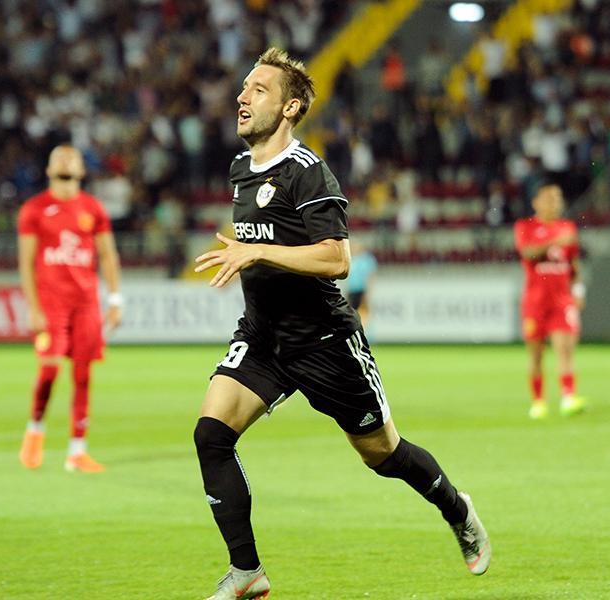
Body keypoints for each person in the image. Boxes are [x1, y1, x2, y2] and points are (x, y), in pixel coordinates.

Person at [192, 48, 490, 600]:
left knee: (383, 455)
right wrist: (251, 255)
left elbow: (336, 259)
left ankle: (456, 508)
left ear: (290, 107)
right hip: (264, 336)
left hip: (325, 341)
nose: (242, 96)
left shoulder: (307, 172)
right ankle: (247, 572)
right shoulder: (240, 170)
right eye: (244, 87)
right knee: (211, 434)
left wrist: (258, 252)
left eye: (258, 89)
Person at [17, 145, 123, 473]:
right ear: (48, 170)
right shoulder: (34, 209)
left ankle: (77, 451)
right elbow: (26, 263)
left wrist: (115, 299)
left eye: (71, 158)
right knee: (49, 370)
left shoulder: (93, 208)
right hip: (52, 305)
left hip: (86, 304)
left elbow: (107, 255)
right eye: (58, 158)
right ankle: (35, 429)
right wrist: (33, 307)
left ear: (82, 170)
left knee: (82, 374)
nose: (65, 161)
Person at [513, 183, 587, 420]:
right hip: (535, 302)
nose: (554, 203)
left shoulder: (568, 228)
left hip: (562, 301)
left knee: (564, 349)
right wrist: (554, 241)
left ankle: (568, 397)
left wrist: (579, 291)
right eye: (548, 198)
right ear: (536, 202)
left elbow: (574, 264)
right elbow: (527, 253)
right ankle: (538, 402)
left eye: (557, 198)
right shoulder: (525, 227)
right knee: (536, 355)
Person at [346, 240, 379, 330]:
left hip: (362, 290)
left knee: (364, 313)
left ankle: (365, 331)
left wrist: (368, 291)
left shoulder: (367, 259)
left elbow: (370, 276)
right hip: (352, 290)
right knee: (351, 313)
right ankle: (354, 331)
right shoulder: (352, 258)